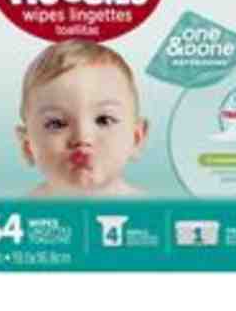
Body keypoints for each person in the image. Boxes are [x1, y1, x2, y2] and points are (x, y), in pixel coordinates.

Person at [16, 40, 148, 197]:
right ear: (27, 146)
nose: (82, 138)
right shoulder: (24, 209)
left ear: (136, 138)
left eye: (104, 120)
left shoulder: (147, 207)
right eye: (56, 124)